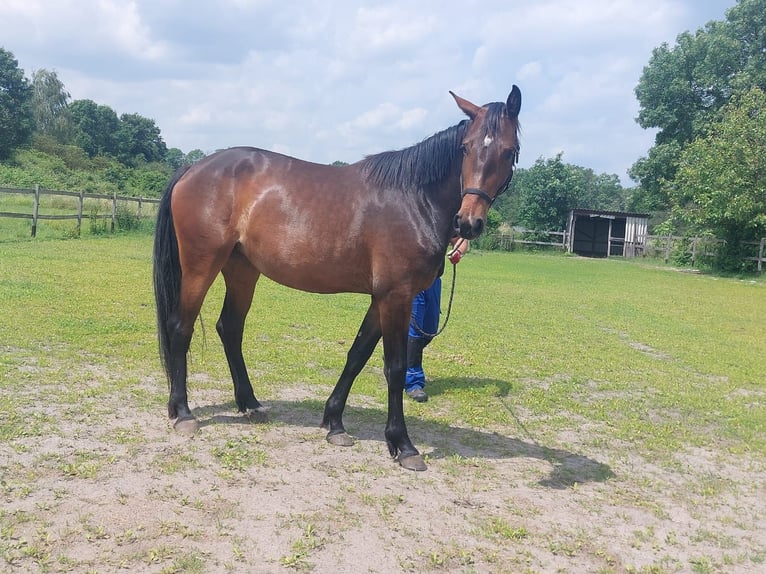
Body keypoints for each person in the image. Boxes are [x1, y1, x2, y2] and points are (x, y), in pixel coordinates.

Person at [405, 238, 469, 402]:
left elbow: (462, 240)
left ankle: (398, 354)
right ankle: (413, 382)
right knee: (416, 331)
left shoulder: (443, 217)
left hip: (433, 280)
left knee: (429, 331)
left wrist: (458, 251)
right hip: (411, 279)